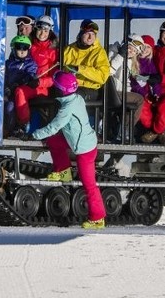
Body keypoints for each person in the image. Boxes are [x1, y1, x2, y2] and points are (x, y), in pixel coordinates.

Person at [31, 71, 106, 230]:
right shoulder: (76, 98)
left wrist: (33, 135)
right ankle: (63, 171)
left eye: (55, 86)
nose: (53, 88)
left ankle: (98, 218)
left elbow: (54, 127)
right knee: (54, 141)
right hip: (76, 139)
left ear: (61, 90)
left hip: (84, 150)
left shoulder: (67, 108)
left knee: (89, 185)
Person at [105, 34, 147, 141]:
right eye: (131, 49)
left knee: (132, 103)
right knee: (139, 100)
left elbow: (127, 81)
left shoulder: (130, 61)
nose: (131, 52)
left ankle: (122, 131)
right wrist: (120, 55)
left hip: (120, 91)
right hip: (111, 91)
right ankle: (125, 129)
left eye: (134, 52)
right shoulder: (113, 52)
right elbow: (108, 72)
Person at [62, 19, 110, 103]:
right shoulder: (69, 49)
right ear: (81, 34)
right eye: (88, 33)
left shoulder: (99, 52)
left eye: (93, 34)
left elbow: (103, 76)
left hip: (89, 88)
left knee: (72, 98)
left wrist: (80, 69)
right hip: (68, 87)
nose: (90, 37)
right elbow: (59, 68)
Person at [130, 35, 165, 143]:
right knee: (144, 112)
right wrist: (144, 94)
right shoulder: (134, 63)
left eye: (148, 47)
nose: (145, 49)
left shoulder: (151, 64)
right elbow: (135, 82)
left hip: (150, 95)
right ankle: (156, 131)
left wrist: (156, 94)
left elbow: (155, 82)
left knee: (160, 109)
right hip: (140, 95)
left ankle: (158, 131)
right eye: (143, 46)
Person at [4, 35, 38, 134]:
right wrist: (5, 87)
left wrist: (19, 83)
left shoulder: (30, 63)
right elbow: (4, 76)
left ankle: (12, 129)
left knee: (10, 107)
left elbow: (30, 75)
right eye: (19, 47)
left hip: (21, 90)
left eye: (25, 48)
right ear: (13, 48)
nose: (22, 50)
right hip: (9, 91)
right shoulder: (8, 63)